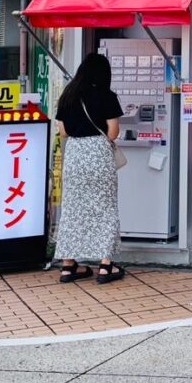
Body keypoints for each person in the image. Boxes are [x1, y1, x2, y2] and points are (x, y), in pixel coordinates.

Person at [54, 53, 127, 284]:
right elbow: (113, 132)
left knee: (73, 209)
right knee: (105, 208)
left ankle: (68, 265)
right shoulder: (107, 96)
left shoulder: (68, 95)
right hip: (98, 155)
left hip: (74, 156)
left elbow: (63, 131)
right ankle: (106, 266)